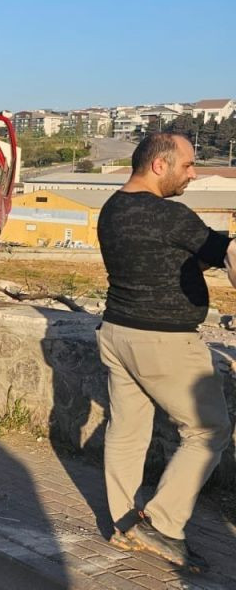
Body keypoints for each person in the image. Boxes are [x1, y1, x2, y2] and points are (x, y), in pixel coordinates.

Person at [97, 132, 234, 572]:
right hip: (164, 341)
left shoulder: (112, 208)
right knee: (208, 431)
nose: (192, 174)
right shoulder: (169, 215)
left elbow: (160, 256)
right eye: (189, 166)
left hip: (117, 331)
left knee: (127, 431)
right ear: (160, 165)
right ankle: (162, 524)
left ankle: (125, 526)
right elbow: (220, 250)